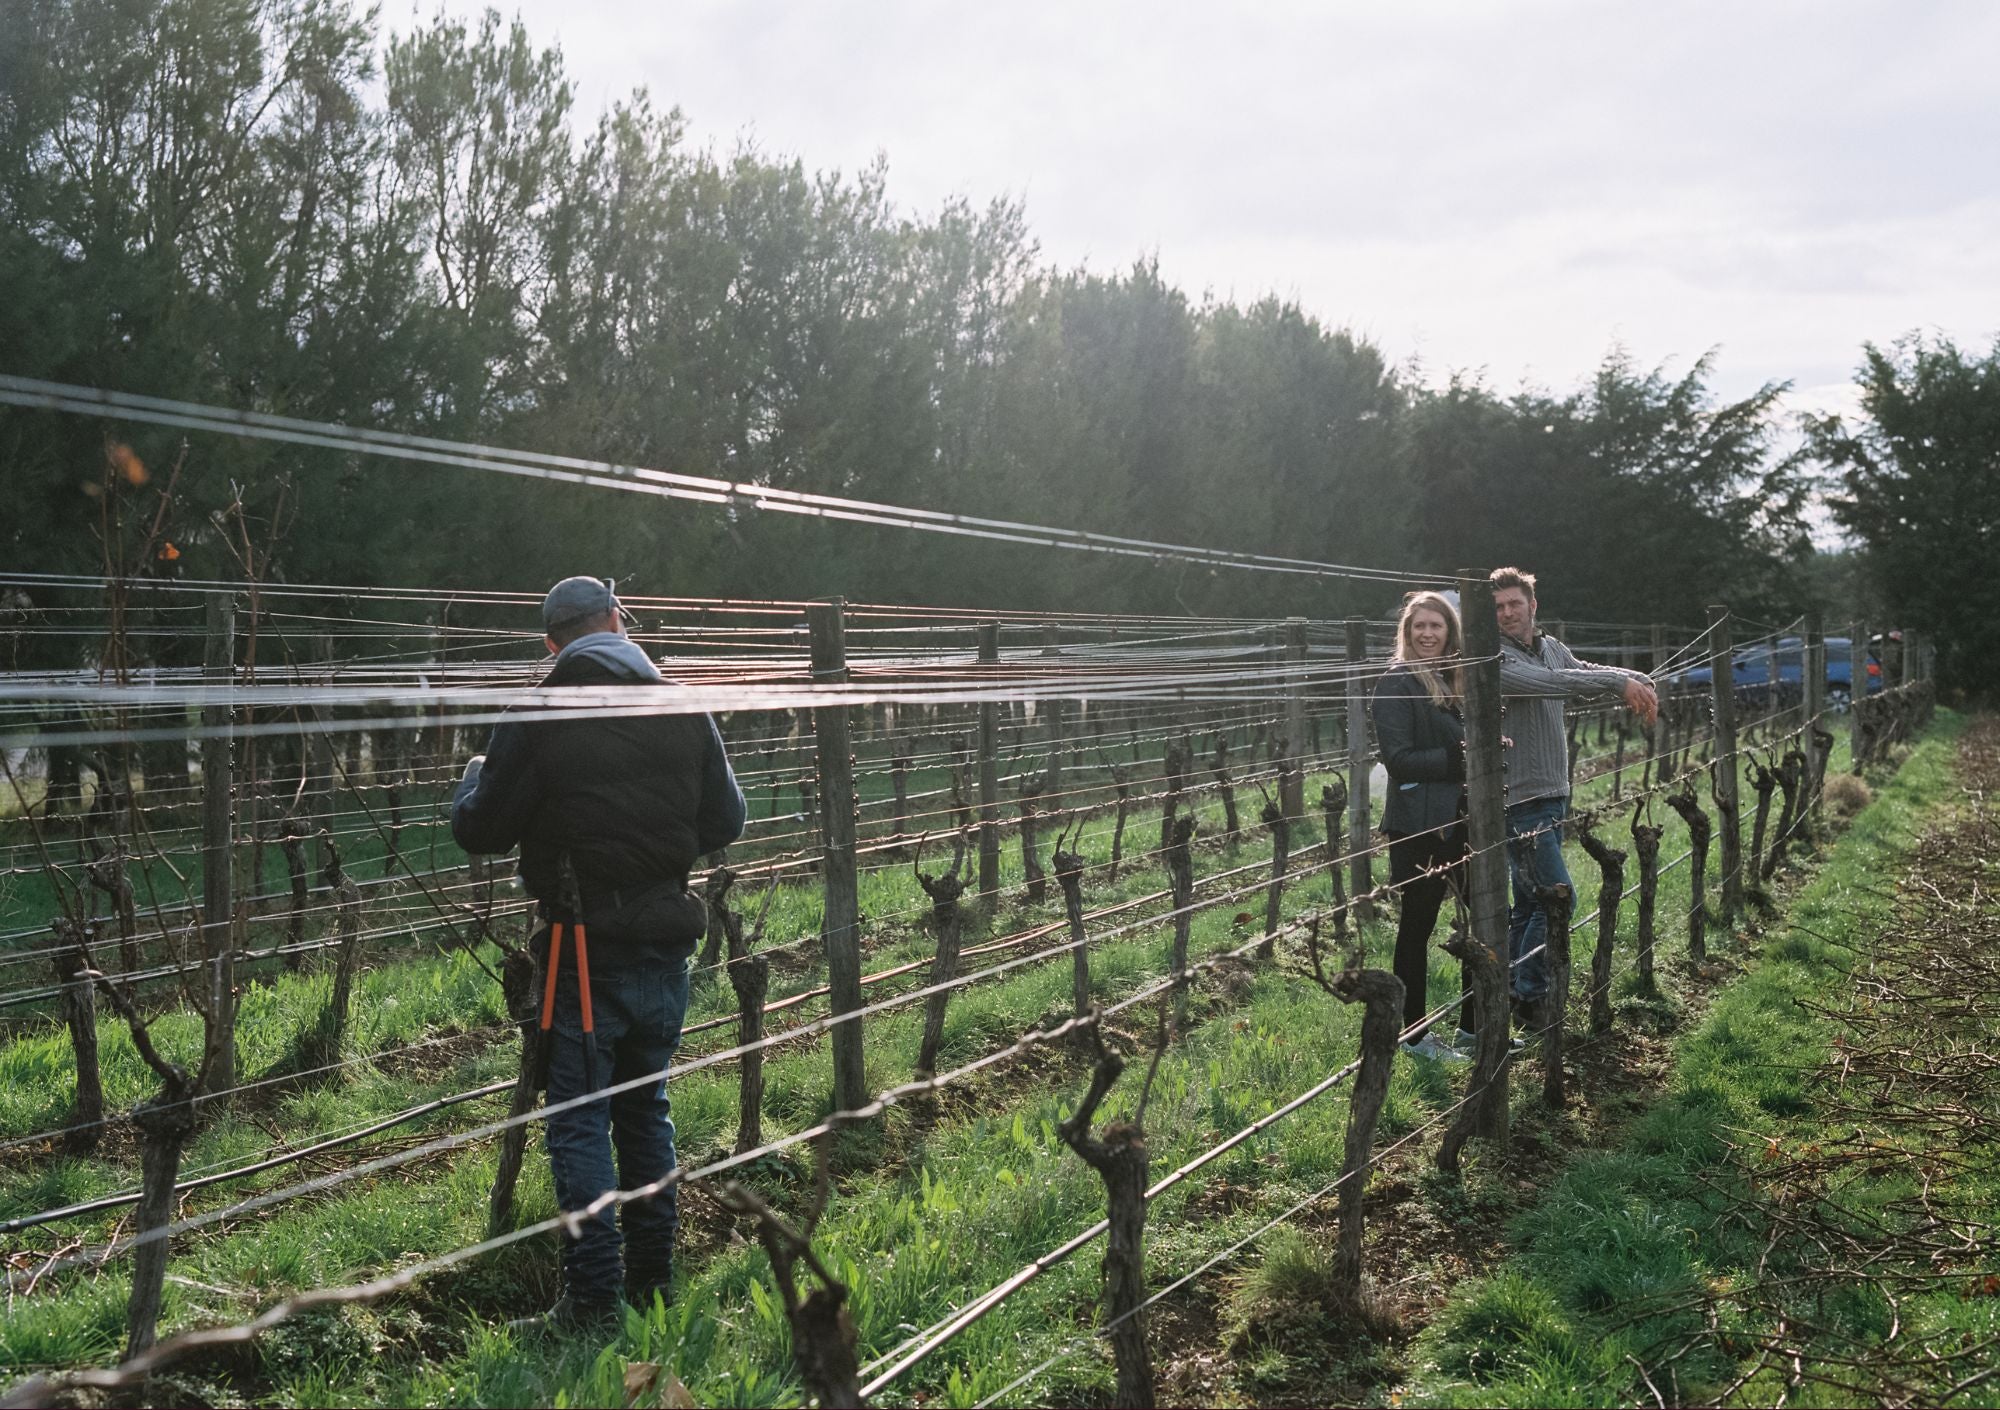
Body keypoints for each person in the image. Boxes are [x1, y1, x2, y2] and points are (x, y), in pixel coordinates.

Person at [452, 576, 746, 1332]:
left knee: (579, 1123)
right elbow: (728, 818)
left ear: (552, 644)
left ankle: (591, 1306)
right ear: (618, 622)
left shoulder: (542, 713)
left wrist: (472, 781)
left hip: (581, 950)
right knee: (646, 1111)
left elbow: (481, 830)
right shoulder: (683, 705)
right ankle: (652, 1285)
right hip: (668, 943)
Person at [1489, 567, 1657, 1036]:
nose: (1506, 614)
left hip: (1553, 793)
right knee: (1557, 899)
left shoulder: (1551, 647)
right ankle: (1532, 994)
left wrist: (1634, 677)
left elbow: (1578, 671)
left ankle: (1509, 993)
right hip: (1520, 798)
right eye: (1498, 608)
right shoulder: (1494, 657)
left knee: (1527, 906)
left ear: (1532, 605)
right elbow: (1550, 684)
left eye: (1513, 604)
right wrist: (1619, 684)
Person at [1372, 591, 1473, 1063]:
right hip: (1420, 824)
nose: (1428, 634)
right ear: (1407, 633)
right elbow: (1398, 761)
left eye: (1437, 626)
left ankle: (1475, 1028)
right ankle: (1412, 1036)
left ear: (1450, 632)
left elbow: (1469, 744)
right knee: (1418, 925)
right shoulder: (1397, 683)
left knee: (1485, 920)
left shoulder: (1456, 681)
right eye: (1419, 627)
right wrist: (1458, 758)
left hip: (1466, 819)